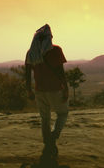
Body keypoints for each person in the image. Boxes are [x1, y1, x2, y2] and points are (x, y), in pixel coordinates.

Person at [25, 24, 69, 165]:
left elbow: (27, 74)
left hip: (39, 90)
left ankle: (47, 142)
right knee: (62, 113)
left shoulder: (31, 53)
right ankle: (53, 137)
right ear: (49, 37)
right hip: (55, 89)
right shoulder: (55, 50)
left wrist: (29, 90)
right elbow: (60, 71)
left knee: (45, 118)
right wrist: (66, 87)